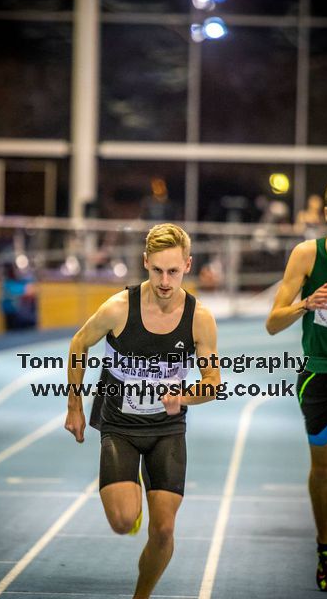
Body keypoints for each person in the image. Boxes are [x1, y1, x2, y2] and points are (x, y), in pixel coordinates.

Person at [64, 223, 221, 599]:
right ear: (145, 262)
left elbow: (213, 383)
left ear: (188, 265)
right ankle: (130, 503)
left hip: (166, 429)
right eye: (157, 271)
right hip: (118, 424)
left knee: (164, 530)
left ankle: (141, 596)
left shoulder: (200, 318)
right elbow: (78, 344)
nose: (165, 281)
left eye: (174, 271)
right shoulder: (118, 308)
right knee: (122, 521)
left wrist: (183, 395)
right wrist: (75, 405)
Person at [266, 177, 327, 592]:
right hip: (318, 373)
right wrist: (306, 303)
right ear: (326, 216)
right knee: (321, 470)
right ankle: (326, 544)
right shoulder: (306, 256)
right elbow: (272, 323)